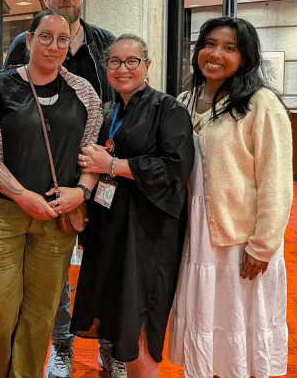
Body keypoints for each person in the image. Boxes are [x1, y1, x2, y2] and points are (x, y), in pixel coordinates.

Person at [0, 9, 102, 378]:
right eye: (45, 36)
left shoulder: (84, 93)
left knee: (40, 313)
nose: (53, 46)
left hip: (57, 217)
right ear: (28, 40)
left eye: (62, 39)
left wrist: (82, 192)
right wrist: (23, 195)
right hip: (1, 212)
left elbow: (92, 154)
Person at [4, 0, 117, 378]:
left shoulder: (105, 43)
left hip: (99, 173)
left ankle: (111, 345)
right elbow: (9, 95)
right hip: (46, 179)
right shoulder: (23, 41)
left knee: (104, 261)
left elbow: (118, 102)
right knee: (55, 272)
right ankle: (63, 346)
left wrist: (101, 168)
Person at [167, 16, 293, 378]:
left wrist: (263, 244)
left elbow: (277, 181)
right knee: (208, 320)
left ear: (246, 56)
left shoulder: (260, 103)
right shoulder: (185, 100)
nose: (215, 54)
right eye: (208, 43)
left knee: (237, 322)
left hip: (240, 237)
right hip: (196, 232)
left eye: (229, 47)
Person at [69, 35, 195, 378]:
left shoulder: (168, 109)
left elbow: (175, 169)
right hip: (110, 227)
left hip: (148, 232)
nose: (122, 69)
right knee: (115, 309)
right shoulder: (108, 111)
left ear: (147, 66)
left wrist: (112, 166)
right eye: (115, 62)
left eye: (131, 61)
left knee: (139, 314)